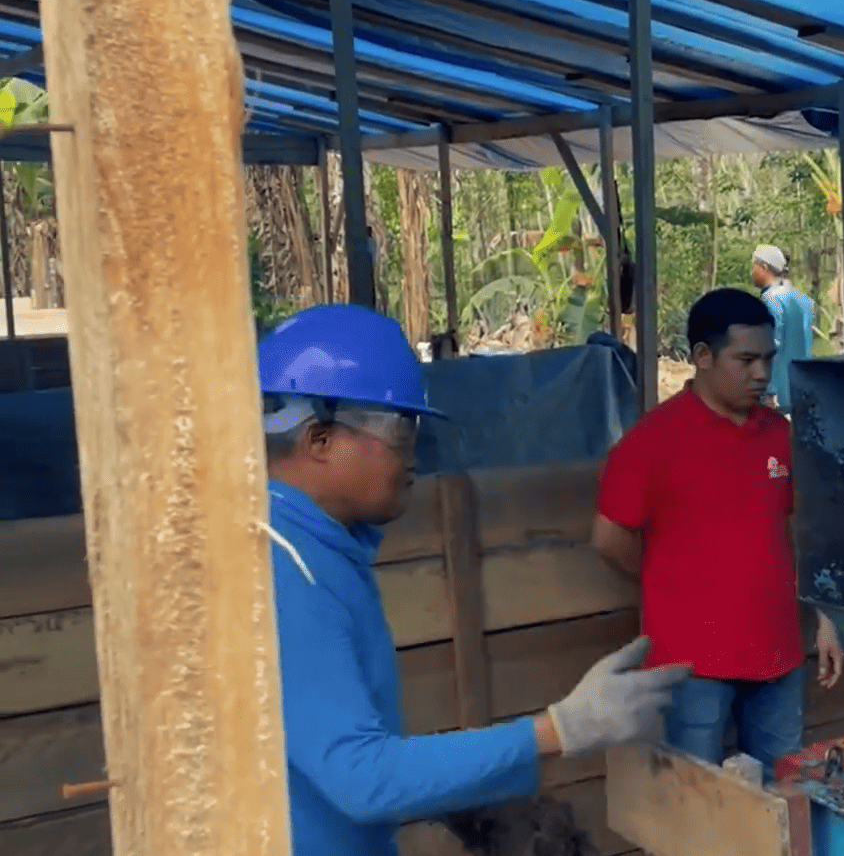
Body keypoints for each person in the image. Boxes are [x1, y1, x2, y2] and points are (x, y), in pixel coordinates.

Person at [260, 304, 693, 856]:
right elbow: (360, 777)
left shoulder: (313, 548)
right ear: (321, 440)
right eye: (402, 429)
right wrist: (557, 729)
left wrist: (469, 791)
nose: (417, 453)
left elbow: (330, 754)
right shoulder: (284, 567)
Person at [592, 288, 844, 772]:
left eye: (768, 359)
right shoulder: (651, 441)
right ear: (702, 357)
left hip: (779, 656)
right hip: (690, 666)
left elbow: (801, 529)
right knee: (695, 804)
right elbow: (608, 538)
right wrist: (670, 583)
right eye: (746, 359)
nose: (761, 373)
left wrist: (826, 619)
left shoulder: (778, 433)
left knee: (782, 795)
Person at [749, 244, 816, 414]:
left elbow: (772, 345)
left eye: (754, 266)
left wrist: (769, 389)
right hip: (802, 389)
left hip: (777, 394)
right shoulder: (804, 301)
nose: (752, 272)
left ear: (763, 268)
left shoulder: (770, 300)